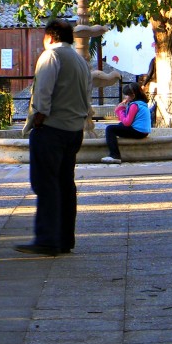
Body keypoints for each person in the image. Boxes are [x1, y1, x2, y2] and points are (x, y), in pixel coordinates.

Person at [17, 19, 91, 256]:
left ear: (49, 37)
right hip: (73, 130)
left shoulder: (51, 57)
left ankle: (47, 239)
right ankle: (64, 238)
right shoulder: (80, 60)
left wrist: (38, 118)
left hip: (52, 129)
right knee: (65, 185)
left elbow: (43, 92)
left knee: (46, 184)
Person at [102, 82, 151, 164]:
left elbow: (127, 123)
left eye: (127, 95)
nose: (125, 97)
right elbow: (126, 121)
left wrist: (120, 110)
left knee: (110, 129)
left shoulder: (134, 105)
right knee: (119, 126)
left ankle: (115, 155)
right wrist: (123, 111)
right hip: (144, 131)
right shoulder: (142, 104)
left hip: (138, 132)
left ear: (133, 95)